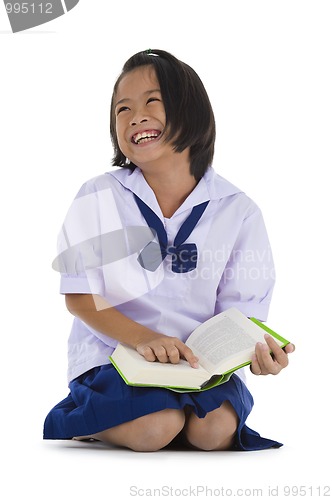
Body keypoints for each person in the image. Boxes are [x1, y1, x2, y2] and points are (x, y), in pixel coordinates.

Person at [43, 49, 294, 451]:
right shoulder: (98, 195)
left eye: (151, 101)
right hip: (117, 356)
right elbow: (80, 295)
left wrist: (258, 352)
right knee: (154, 427)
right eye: (122, 109)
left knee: (213, 433)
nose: (135, 116)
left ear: (190, 110)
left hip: (200, 367)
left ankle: (170, 415)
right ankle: (82, 417)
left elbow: (241, 311)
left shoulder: (238, 210)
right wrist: (142, 338)